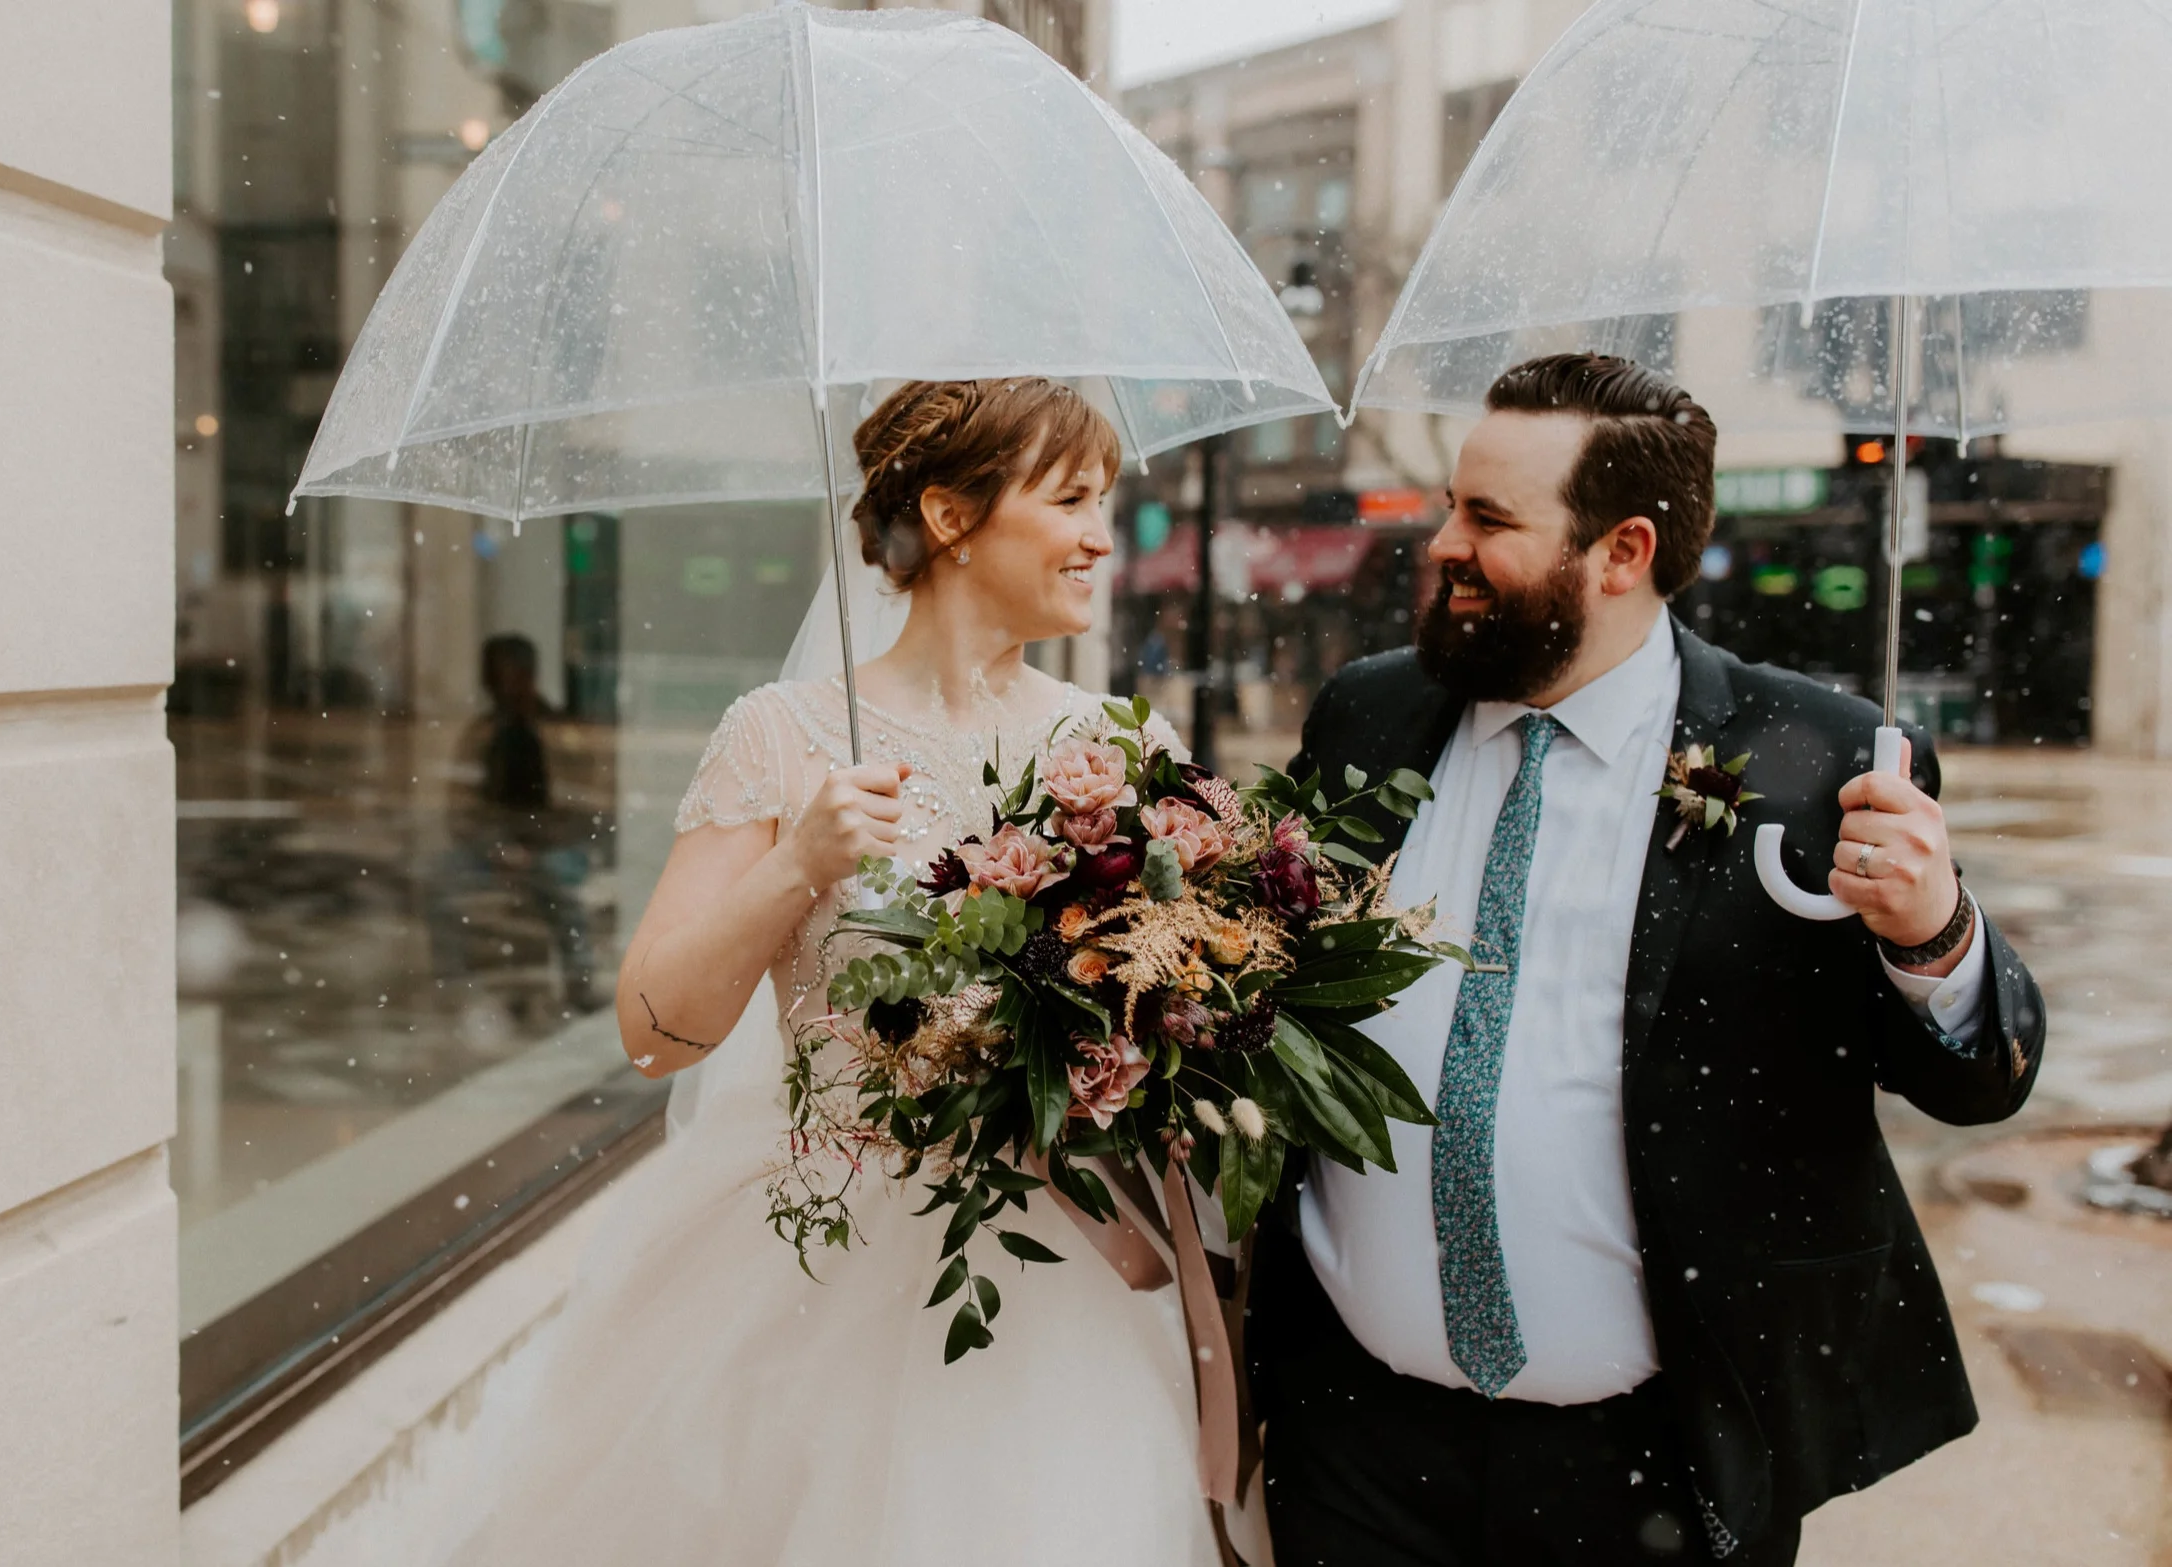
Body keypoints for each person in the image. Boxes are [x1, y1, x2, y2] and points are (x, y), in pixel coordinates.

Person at [1253, 355, 2046, 1566]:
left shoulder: (1819, 755)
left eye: (1489, 520)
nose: (1441, 544)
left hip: (1655, 1473)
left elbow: (1975, 1080)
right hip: (1353, 1443)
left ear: (1621, 551)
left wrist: (1931, 929)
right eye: (1452, 505)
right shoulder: (1364, 713)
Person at [444, 378, 1215, 1565]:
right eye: (1069, 500)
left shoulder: (1122, 747)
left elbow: (1184, 1017)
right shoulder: (783, 735)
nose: (1102, 537)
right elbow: (656, 1033)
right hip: (809, 1268)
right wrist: (798, 859)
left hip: (1060, 1271)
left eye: (1104, 501)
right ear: (953, 518)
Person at [426, 633, 599, 1015]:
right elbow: (460, 806)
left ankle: (579, 982)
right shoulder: (484, 733)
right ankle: (452, 984)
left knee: (561, 890)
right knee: (439, 881)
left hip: (551, 847)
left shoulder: (559, 733)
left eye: (506, 674)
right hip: (494, 848)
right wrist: (495, 846)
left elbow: (582, 804)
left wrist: (533, 845)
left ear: (527, 675)